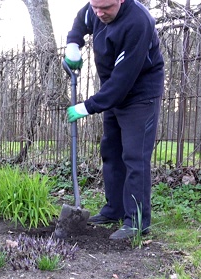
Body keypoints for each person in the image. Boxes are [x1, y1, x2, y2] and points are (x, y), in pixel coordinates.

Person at [63, 0, 164, 240]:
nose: (99, 13)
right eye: (95, 7)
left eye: (105, 8)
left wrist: (88, 106)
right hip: (114, 93)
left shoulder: (138, 22)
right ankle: (115, 209)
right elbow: (82, 20)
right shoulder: (95, 10)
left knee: (134, 156)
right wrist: (73, 43)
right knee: (111, 150)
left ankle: (137, 221)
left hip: (140, 94)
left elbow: (123, 79)